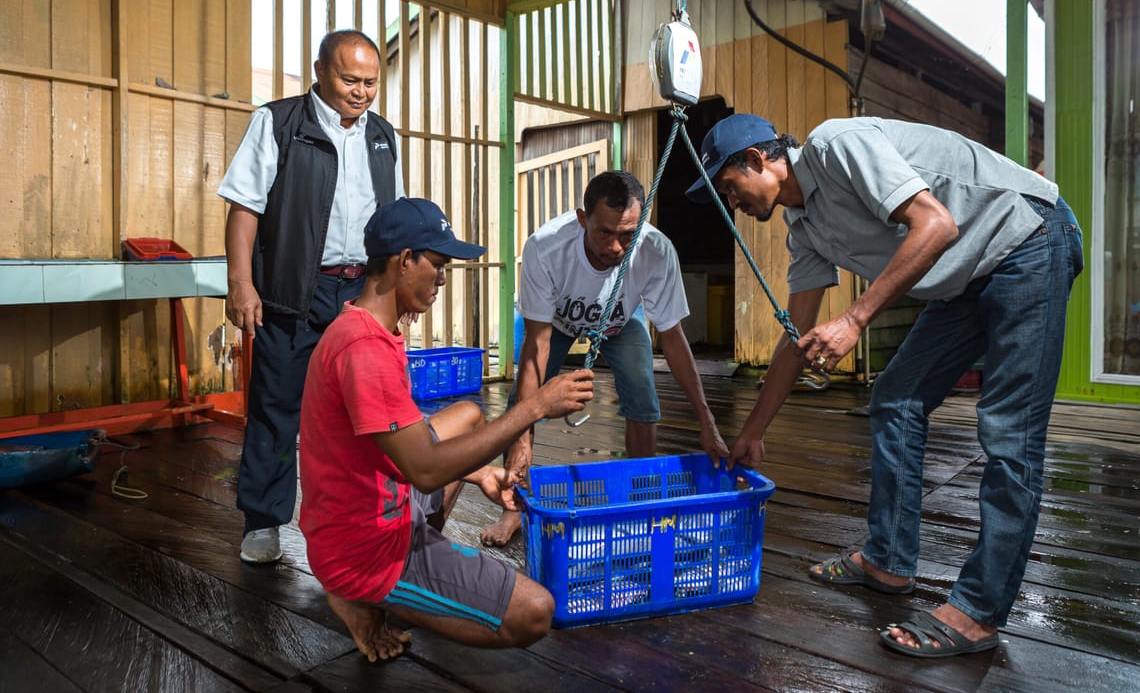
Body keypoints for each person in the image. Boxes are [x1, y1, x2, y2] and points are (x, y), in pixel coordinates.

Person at [688, 114, 1083, 659]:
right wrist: (754, 432)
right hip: (966, 279)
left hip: (1029, 240)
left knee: (1009, 435)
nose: (732, 203)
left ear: (758, 160)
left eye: (729, 188)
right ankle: (888, 560)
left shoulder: (836, 144)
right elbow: (794, 339)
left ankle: (977, 612)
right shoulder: (804, 228)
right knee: (895, 397)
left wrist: (854, 319)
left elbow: (936, 225)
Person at [298, 197, 594, 656]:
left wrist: (481, 473)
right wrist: (535, 405)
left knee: (467, 417)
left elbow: (412, 450)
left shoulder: (366, 323)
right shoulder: (364, 349)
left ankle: (418, 578)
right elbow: (427, 470)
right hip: (365, 550)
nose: (441, 278)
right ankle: (367, 591)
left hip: (364, 511)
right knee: (535, 611)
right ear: (402, 261)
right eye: (436, 265)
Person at [218, 29, 406, 563]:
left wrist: (396, 293)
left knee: (366, 410)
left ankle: (361, 517)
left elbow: (391, 221)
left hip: (362, 291)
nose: (362, 92)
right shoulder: (278, 123)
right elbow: (244, 207)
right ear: (319, 71)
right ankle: (263, 520)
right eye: (350, 79)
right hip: (294, 290)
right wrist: (241, 283)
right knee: (277, 405)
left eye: (371, 82)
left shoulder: (382, 136)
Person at [480, 170, 727, 548]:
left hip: (620, 322)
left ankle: (643, 503)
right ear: (583, 219)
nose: (615, 247)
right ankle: (513, 508)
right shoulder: (545, 247)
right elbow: (537, 343)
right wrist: (527, 432)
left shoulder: (657, 250)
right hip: (556, 323)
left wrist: (707, 420)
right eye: (604, 233)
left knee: (644, 397)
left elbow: (674, 339)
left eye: (627, 234)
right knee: (521, 404)